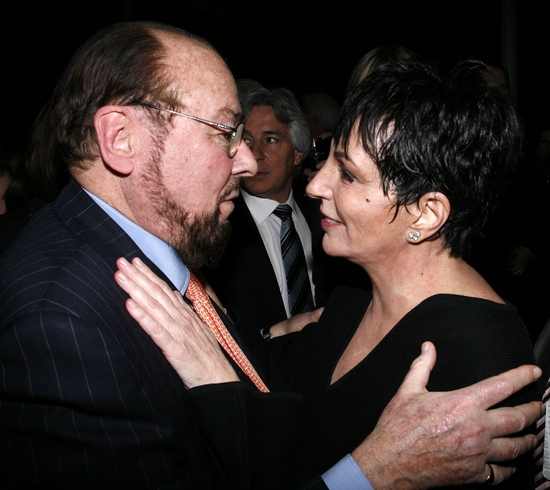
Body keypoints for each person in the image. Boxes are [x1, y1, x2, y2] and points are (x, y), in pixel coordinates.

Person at [0, 20, 541, 490]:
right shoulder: (354, 298)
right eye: (225, 133)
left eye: (349, 174)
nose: (313, 186)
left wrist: (376, 473)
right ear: (120, 137)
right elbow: (289, 431)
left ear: (426, 213)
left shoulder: (480, 353)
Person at [203, 84, 318, 355]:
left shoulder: (326, 221)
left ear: (298, 153)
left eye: (271, 140)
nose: (254, 154)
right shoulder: (215, 227)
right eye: (247, 140)